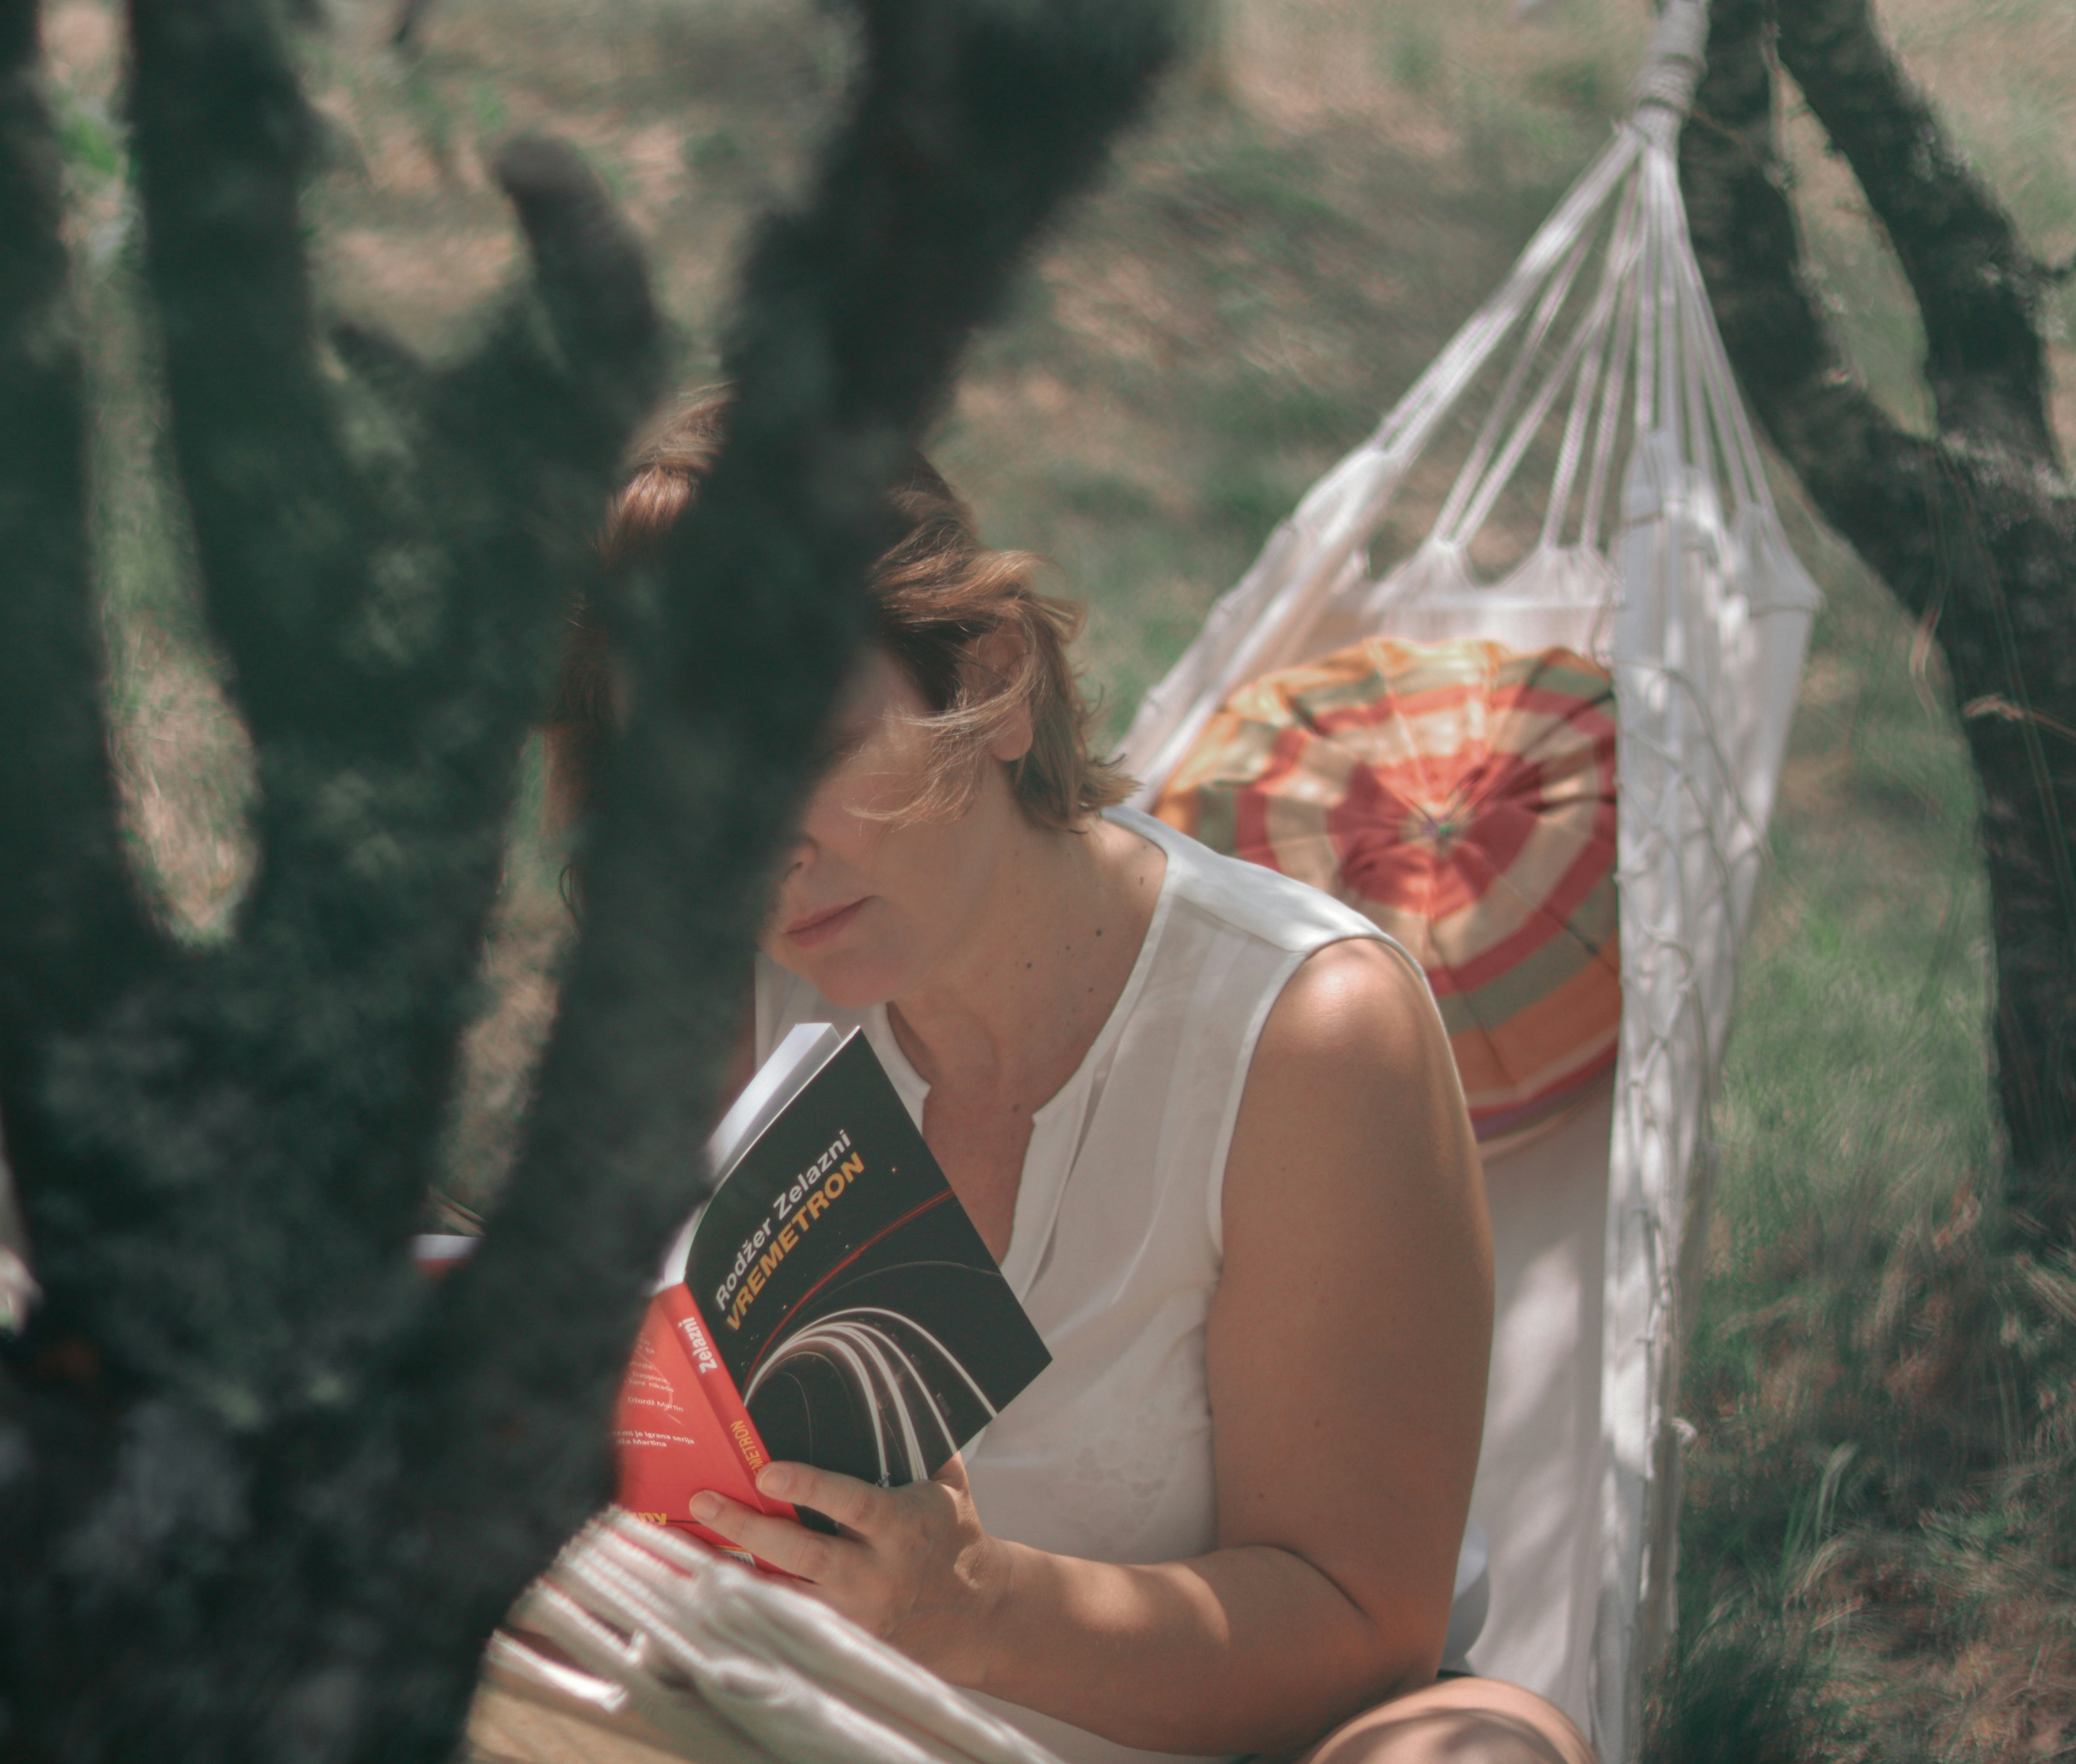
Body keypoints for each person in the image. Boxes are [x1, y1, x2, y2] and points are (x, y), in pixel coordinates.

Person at [546, 394, 1593, 1764]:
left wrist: (978, 1609)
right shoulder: (728, 1006)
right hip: (811, 1731)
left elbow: (1364, 1625)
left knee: (1494, 1746)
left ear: (988, 681)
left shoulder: (1304, 1037)